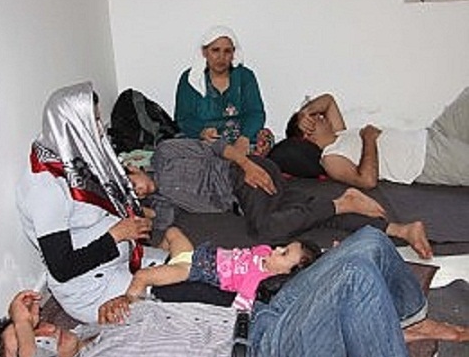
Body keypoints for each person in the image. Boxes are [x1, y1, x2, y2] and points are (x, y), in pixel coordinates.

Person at [0, 227, 469, 357]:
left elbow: (160, 287)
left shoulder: (99, 324)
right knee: (356, 277)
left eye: (36, 324)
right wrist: (18, 320)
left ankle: (410, 321)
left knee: (369, 243)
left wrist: (133, 292)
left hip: (263, 319)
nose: (44, 330)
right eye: (30, 340)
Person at [129, 137, 433, 259]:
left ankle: (341, 202)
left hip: (244, 175)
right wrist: (139, 216)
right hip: (247, 200)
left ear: (133, 168)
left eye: (133, 184)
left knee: (266, 232)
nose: (138, 191)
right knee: (308, 220)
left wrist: (247, 164)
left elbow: (216, 147)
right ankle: (400, 229)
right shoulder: (162, 201)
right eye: (134, 195)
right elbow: (161, 228)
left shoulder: (165, 153)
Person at [15, 82, 168, 323]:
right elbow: (62, 268)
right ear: (71, 127)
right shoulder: (45, 188)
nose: (100, 129)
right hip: (90, 286)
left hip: (117, 261)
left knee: (189, 266)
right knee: (181, 294)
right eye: (93, 121)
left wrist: (132, 212)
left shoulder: (71, 157)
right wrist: (116, 234)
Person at [286, 89, 469, 189]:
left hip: (430, 134)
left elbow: (328, 100)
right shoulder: (330, 158)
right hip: (426, 161)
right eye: (315, 118)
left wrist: (305, 112)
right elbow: (367, 181)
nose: (321, 115)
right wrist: (369, 140)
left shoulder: (339, 134)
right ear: (307, 134)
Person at [124, 227, 321, 311]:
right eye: (283, 247)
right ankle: (160, 260)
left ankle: (133, 312)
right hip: (195, 255)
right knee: (172, 232)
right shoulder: (264, 251)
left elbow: (240, 309)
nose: (277, 249)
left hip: (193, 270)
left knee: (142, 277)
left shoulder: (256, 281)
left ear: (285, 274)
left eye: (284, 254)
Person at [174, 25, 274, 156]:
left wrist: (244, 138)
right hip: (204, 142)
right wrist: (202, 132)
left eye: (227, 51)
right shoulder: (190, 79)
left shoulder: (245, 77)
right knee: (171, 150)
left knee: (266, 141)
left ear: (233, 54)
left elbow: (255, 113)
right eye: (215, 50)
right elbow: (183, 117)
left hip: (240, 140)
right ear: (204, 52)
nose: (221, 57)